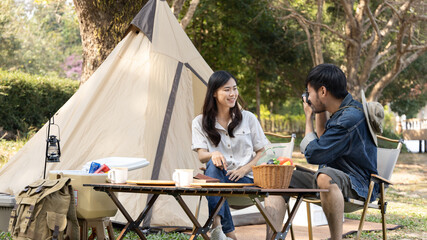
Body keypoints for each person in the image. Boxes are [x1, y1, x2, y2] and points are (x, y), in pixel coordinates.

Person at [265, 64, 378, 240]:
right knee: (278, 178)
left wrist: (307, 119)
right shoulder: (341, 112)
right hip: (331, 177)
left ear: (323, 91)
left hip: (357, 184)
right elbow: (323, 139)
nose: (307, 97)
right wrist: (317, 110)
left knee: (325, 176)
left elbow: (315, 154)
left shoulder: (349, 119)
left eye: (309, 92)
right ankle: (273, 238)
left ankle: (335, 239)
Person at [192, 70, 269, 240]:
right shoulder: (199, 122)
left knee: (210, 179)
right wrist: (214, 154)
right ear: (214, 93)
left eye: (234, 89)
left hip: (247, 180)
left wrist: (244, 169)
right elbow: (201, 155)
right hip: (220, 178)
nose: (233, 94)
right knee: (213, 168)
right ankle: (226, 233)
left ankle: (219, 231)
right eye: (227, 90)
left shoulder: (248, 118)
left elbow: (263, 151)